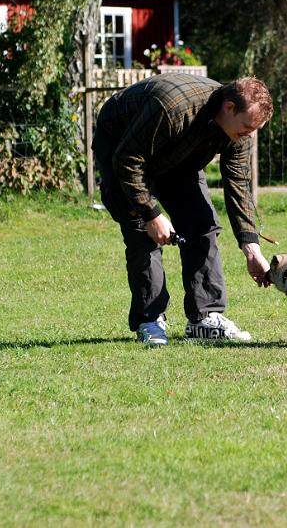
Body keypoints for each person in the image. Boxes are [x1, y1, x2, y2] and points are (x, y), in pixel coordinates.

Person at [93, 73, 273, 345]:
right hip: (123, 147)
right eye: (247, 127)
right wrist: (151, 213)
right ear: (229, 107)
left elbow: (238, 183)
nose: (249, 135)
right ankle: (150, 320)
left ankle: (205, 318)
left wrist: (251, 246)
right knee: (143, 231)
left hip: (178, 155)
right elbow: (128, 160)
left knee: (202, 224)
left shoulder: (239, 130)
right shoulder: (173, 108)